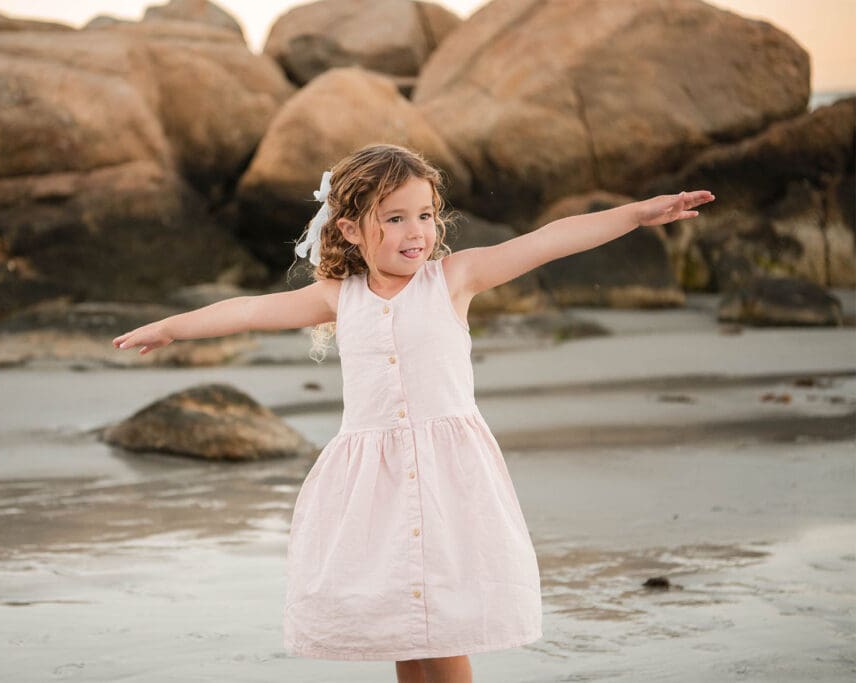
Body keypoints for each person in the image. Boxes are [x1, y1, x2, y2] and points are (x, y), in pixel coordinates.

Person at [112, 144, 714, 682]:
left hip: (449, 477)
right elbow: (247, 310)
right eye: (394, 218)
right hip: (374, 483)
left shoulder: (452, 280)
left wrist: (638, 214)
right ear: (350, 230)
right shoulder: (338, 297)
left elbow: (548, 240)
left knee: (442, 628)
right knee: (404, 626)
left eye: (424, 216)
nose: (415, 231)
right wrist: (172, 327)